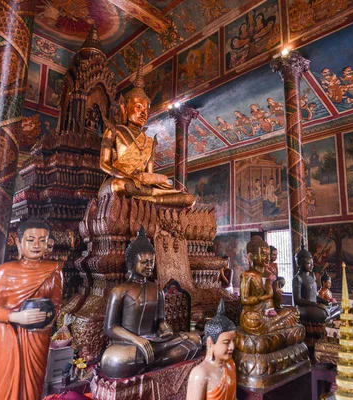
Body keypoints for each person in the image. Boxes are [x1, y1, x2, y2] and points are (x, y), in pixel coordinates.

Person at [100, 227, 201, 378]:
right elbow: (110, 328)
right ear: (131, 263)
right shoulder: (119, 291)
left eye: (152, 262)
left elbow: (160, 320)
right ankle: (158, 359)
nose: (149, 266)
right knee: (114, 361)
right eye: (144, 262)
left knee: (195, 340)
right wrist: (137, 340)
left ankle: (154, 359)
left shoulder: (156, 289)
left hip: (154, 342)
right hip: (130, 345)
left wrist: (164, 328)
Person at [98, 61, 195, 207]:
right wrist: (129, 177)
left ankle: (147, 200)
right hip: (119, 183)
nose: (143, 113)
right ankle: (148, 201)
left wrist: (155, 181)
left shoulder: (149, 141)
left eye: (146, 109)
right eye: (138, 107)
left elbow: (149, 174)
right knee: (122, 185)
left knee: (187, 199)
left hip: (142, 186)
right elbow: (104, 164)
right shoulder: (114, 131)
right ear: (125, 108)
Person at [0, 218, 63, 400]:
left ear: (48, 244)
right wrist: (16, 317)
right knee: (5, 383)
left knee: (34, 385)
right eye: (30, 240)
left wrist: (46, 320)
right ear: (19, 243)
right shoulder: (4, 270)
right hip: (9, 335)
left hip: (38, 336)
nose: (36, 245)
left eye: (42, 240)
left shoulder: (54, 270)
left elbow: (56, 305)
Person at [240, 236, 299, 335]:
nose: (268, 258)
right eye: (263, 254)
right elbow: (244, 299)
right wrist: (265, 296)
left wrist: (277, 292)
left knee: (294, 312)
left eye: (268, 254)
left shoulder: (269, 274)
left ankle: (272, 327)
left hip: (271, 312)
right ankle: (274, 328)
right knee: (253, 321)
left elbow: (275, 300)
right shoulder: (247, 275)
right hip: (255, 314)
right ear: (251, 257)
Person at [186, 300, 236, 400]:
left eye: (234, 341)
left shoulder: (231, 365)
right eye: (226, 342)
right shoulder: (200, 374)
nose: (232, 347)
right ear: (210, 342)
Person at [292, 243, 341, 323]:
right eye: (309, 263)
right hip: (304, 308)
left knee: (338, 308)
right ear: (300, 263)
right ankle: (327, 317)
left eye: (312, 263)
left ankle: (327, 317)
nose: (312, 266)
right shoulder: (298, 278)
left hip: (315, 306)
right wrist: (313, 304)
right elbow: (297, 300)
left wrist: (325, 302)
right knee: (322, 314)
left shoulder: (312, 276)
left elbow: (314, 295)